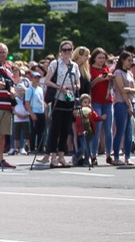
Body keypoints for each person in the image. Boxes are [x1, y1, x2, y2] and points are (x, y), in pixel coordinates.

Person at [43, 40, 82, 168]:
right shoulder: (55, 64)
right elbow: (47, 81)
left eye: (69, 50)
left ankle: (61, 156)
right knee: (56, 128)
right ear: (60, 51)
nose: (67, 52)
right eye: (64, 50)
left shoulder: (74, 66)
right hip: (58, 97)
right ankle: (53, 156)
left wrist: (73, 87)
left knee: (66, 128)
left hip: (69, 98)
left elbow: (78, 83)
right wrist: (60, 88)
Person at [111, 51, 135, 166]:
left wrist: (129, 90)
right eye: (128, 60)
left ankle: (127, 156)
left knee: (129, 132)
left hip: (131, 102)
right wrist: (129, 104)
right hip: (121, 103)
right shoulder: (118, 72)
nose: (130, 63)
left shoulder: (130, 73)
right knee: (120, 130)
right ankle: (116, 157)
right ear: (122, 60)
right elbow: (122, 90)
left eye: (131, 60)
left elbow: (134, 89)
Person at [88, 47, 114, 165]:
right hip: (95, 102)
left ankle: (108, 155)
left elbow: (110, 84)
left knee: (108, 129)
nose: (101, 60)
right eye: (99, 58)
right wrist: (97, 80)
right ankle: (93, 155)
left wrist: (109, 91)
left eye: (103, 58)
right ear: (94, 58)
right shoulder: (90, 69)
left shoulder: (106, 68)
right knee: (97, 129)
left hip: (107, 101)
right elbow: (89, 86)